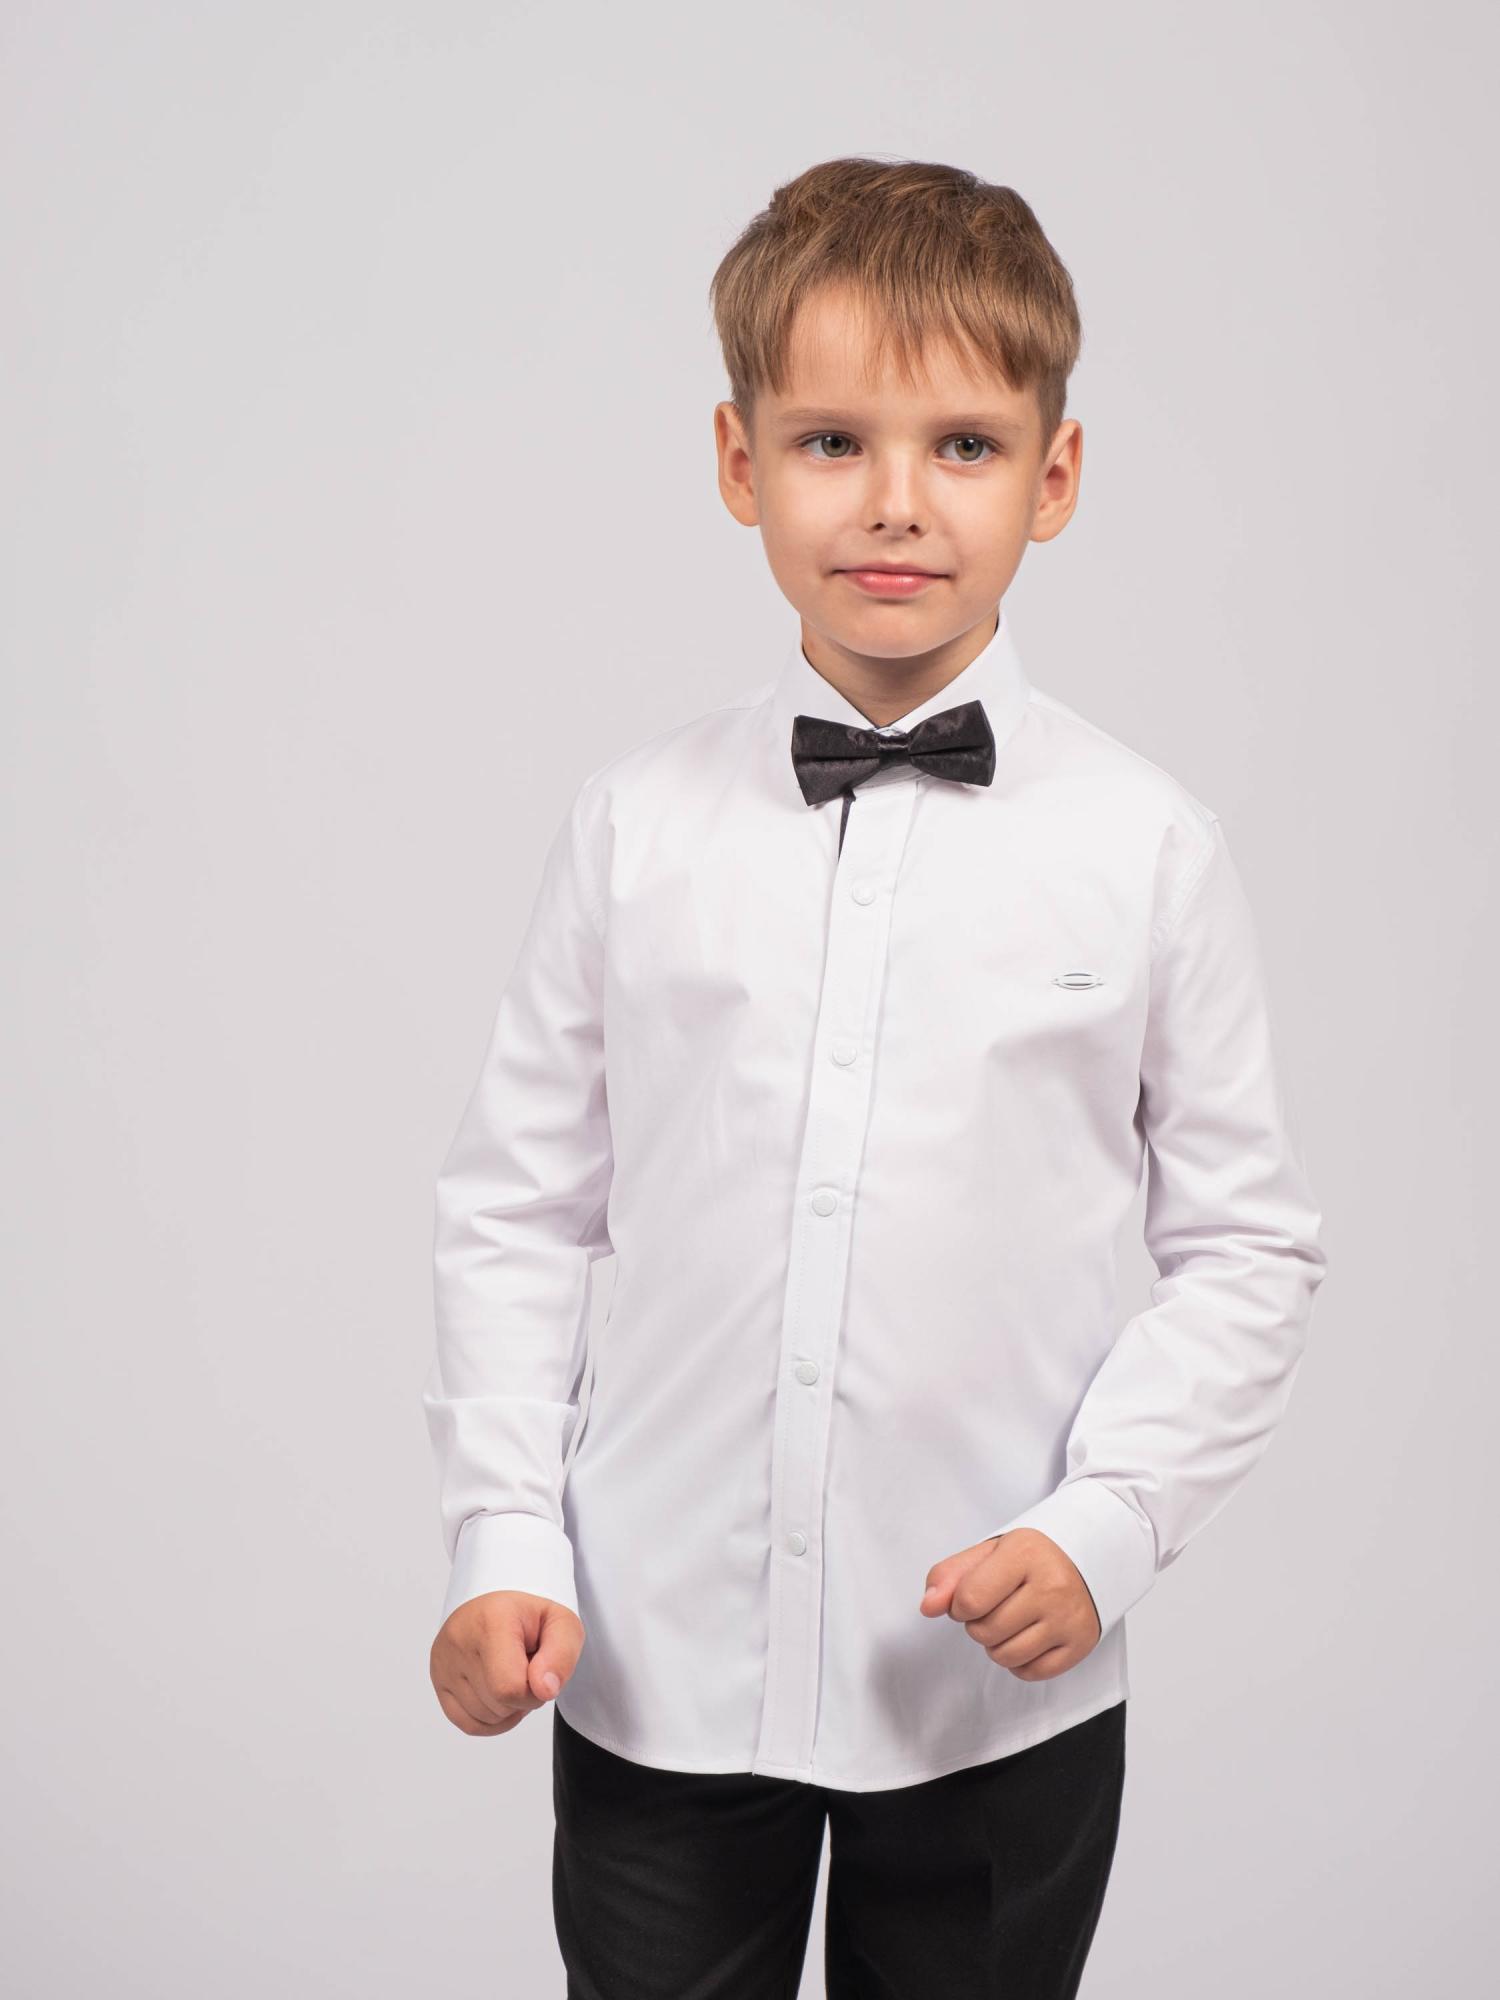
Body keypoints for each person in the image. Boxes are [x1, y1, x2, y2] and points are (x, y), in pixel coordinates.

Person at [422, 155, 1328, 1998]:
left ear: (1054, 477)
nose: (896, 501)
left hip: (995, 1684)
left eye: (965, 446)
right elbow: (518, 1211)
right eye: (832, 441)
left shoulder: (1150, 849)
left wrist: (1107, 1527)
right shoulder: (632, 828)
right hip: (656, 1665)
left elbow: (1249, 1251)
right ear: (739, 461)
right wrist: (501, 1539)